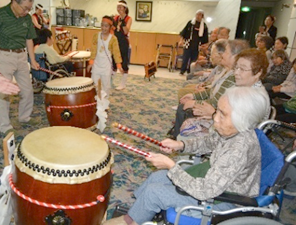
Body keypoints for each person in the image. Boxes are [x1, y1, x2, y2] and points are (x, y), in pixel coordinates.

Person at [103, 86, 270, 225]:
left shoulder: (238, 149)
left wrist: (171, 166)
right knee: (157, 177)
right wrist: (180, 145)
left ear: (242, 120)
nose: (215, 119)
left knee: (154, 192)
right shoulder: (234, 130)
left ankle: (131, 220)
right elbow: (209, 142)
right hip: (214, 181)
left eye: (222, 114)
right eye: (217, 111)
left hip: (223, 200)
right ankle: (138, 213)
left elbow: (204, 191)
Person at [171, 40, 249, 138]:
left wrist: (194, 102)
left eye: (225, 52)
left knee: (183, 109)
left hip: (218, 114)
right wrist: (193, 96)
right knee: (184, 105)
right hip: (214, 108)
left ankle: (179, 139)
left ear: (235, 56)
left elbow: (216, 102)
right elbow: (213, 91)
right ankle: (177, 136)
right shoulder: (228, 71)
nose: (222, 55)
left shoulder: (234, 76)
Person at [0, 0, 39, 134]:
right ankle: (5, 126)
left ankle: (24, 117)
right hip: (4, 55)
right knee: (4, 93)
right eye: (25, 8)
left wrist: (32, 60)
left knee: (27, 89)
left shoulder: (27, 17)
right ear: (15, 2)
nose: (27, 12)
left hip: (21, 55)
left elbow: (29, 39)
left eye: (29, 9)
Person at [87, 16, 123, 97]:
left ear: (110, 27)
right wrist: (91, 62)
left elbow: (116, 53)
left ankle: (105, 103)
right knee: (94, 84)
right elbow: (93, 50)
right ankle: (96, 102)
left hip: (106, 66)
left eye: (106, 26)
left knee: (106, 86)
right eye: (102, 25)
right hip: (96, 65)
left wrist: (119, 65)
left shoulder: (113, 39)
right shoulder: (96, 36)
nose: (103, 28)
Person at [179, 9, 209, 75]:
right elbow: (184, 32)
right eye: (197, 14)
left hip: (197, 45)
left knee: (194, 59)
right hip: (188, 43)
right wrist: (181, 41)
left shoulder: (204, 26)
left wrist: (204, 46)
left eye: (199, 15)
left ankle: (190, 71)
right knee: (185, 58)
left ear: (202, 16)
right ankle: (182, 71)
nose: (198, 16)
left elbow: (205, 37)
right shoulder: (190, 23)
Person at [113, 0, 132, 90]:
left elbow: (126, 31)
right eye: (118, 7)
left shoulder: (128, 19)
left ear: (125, 8)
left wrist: (122, 21)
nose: (118, 9)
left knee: (123, 63)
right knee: (113, 61)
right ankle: (110, 81)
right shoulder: (115, 18)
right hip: (115, 42)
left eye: (120, 7)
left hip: (124, 42)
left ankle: (123, 84)